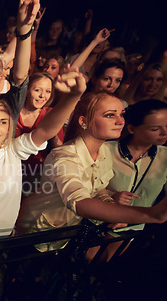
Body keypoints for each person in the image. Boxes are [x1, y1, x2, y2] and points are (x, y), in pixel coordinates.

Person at [15, 92, 167, 252]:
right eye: (110, 115)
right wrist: (150, 214)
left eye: (122, 114)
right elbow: (79, 201)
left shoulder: (104, 150)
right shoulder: (65, 156)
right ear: (84, 121)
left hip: (65, 232)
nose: (120, 121)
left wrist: (112, 208)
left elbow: (98, 188)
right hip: (36, 234)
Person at [0, 70, 84, 241]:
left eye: (3, 122)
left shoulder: (13, 152)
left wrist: (74, 96)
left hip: (2, 238)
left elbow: (46, 130)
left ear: (9, 128)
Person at [106, 99, 167, 228]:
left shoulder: (165, 156)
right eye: (155, 129)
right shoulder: (106, 150)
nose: (164, 132)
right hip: (95, 226)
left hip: (134, 232)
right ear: (132, 129)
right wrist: (109, 196)